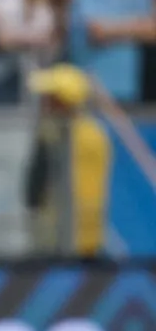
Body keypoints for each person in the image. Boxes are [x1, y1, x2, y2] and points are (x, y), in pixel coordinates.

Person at [23, 63, 111, 256]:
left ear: (63, 101)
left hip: (60, 238)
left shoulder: (56, 136)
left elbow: (34, 191)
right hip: (90, 236)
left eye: (49, 98)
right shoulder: (96, 133)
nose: (44, 103)